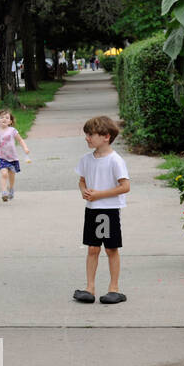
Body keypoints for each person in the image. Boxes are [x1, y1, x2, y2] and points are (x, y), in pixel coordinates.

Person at [74, 115, 130, 305]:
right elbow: (82, 181)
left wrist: (99, 195)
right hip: (92, 210)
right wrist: (84, 192)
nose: (87, 138)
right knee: (92, 248)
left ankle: (114, 288)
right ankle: (89, 288)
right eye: (86, 134)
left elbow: (125, 186)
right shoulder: (86, 160)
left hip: (108, 210)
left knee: (111, 249)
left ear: (106, 136)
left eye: (91, 134)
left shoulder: (115, 160)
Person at [0, 108, 30, 201]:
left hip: (13, 157)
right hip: (1, 157)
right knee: (4, 174)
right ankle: (4, 192)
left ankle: (11, 188)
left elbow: (20, 140)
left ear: (10, 122)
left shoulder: (12, 131)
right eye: (2, 117)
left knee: (12, 174)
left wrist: (25, 148)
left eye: (7, 118)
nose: (4, 119)